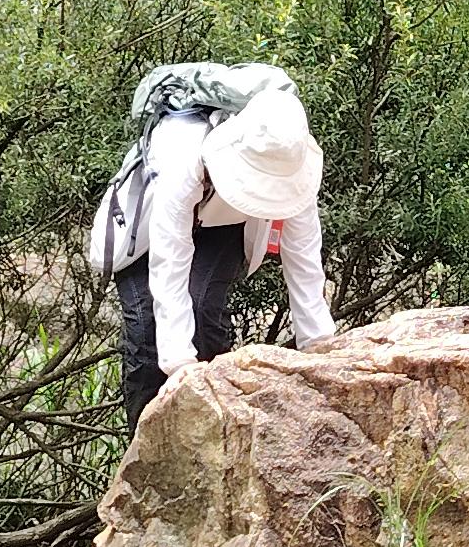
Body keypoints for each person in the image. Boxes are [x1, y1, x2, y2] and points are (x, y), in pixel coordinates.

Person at [89, 68, 336, 427]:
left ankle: (219, 427)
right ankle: (144, 444)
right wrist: (179, 365)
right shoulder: (182, 149)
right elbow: (169, 258)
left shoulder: (293, 161)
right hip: (147, 230)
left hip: (223, 224)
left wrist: (319, 344)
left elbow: (304, 257)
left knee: (203, 307)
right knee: (146, 333)